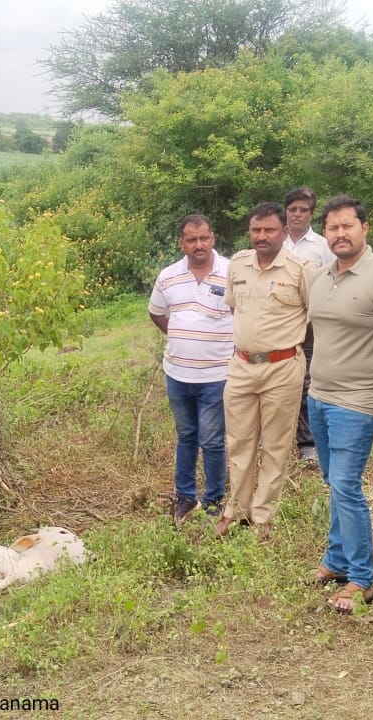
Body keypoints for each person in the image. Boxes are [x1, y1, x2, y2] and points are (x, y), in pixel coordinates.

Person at [305, 195, 373, 613]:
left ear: (364, 228)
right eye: (332, 227)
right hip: (320, 395)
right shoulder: (321, 277)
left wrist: (368, 380)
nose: (340, 233)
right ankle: (336, 560)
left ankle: (362, 577)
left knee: (347, 484)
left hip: (358, 401)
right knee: (334, 481)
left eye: (347, 225)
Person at [214, 202, 313, 542]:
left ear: (284, 232)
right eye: (256, 229)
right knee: (238, 441)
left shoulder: (301, 269)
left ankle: (262, 516)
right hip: (241, 366)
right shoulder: (238, 265)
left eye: (269, 229)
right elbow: (233, 308)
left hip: (283, 368)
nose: (262, 236)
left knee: (275, 444)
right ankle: (236, 510)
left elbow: (316, 316)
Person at [149, 215, 233, 523]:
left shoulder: (232, 273)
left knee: (212, 440)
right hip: (177, 375)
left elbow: (244, 313)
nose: (198, 245)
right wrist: (181, 335)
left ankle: (213, 500)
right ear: (182, 243)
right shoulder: (169, 276)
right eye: (191, 239)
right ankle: (185, 497)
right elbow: (156, 312)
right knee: (186, 435)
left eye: (204, 238)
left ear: (213, 238)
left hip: (217, 376)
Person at [281, 187, 333, 465]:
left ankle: (308, 443)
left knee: (307, 386)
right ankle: (273, 439)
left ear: (311, 214)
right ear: (286, 212)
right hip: (278, 329)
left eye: (303, 210)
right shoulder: (275, 240)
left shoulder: (323, 246)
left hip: (311, 329)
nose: (297, 214)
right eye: (292, 209)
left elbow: (332, 282)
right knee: (276, 384)